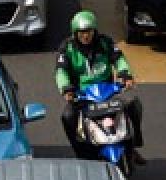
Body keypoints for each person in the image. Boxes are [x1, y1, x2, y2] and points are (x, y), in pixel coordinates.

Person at [54, 10, 144, 163]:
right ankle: (82, 154)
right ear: (75, 33)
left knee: (133, 103)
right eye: (81, 32)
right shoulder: (67, 48)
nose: (86, 36)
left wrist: (125, 74)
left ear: (94, 31)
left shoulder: (106, 42)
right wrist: (66, 88)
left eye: (88, 31)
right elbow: (61, 71)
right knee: (68, 117)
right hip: (82, 95)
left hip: (108, 91)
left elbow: (119, 59)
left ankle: (131, 145)